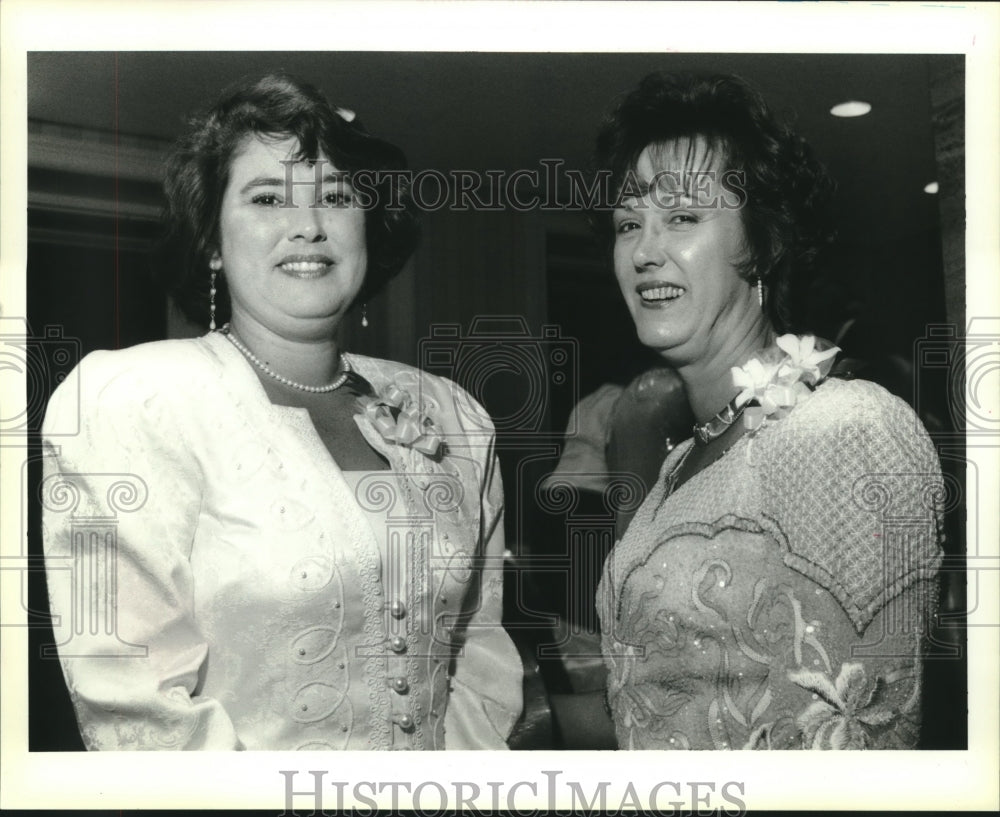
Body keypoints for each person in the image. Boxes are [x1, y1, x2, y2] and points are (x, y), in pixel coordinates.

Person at [40, 71, 522, 751]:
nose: (308, 226)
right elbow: (136, 706)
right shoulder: (131, 401)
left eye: (335, 195)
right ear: (211, 239)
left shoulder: (455, 415)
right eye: (268, 197)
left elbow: (480, 655)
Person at [592, 73, 944, 750]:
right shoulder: (676, 465)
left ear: (764, 240)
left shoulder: (847, 429)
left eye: (683, 217)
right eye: (628, 223)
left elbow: (868, 737)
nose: (643, 250)